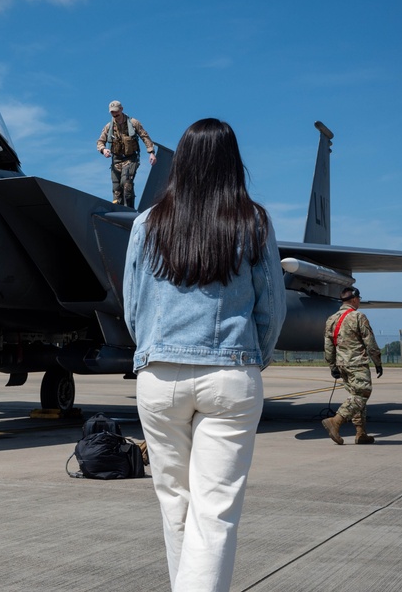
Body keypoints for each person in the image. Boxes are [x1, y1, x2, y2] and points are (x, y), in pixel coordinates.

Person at [123, 118, 286, 592]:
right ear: (232, 163)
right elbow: (271, 306)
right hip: (230, 375)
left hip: (159, 380)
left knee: (175, 507)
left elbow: (133, 309)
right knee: (214, 515)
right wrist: (252, 359)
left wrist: (155, 350)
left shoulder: (145, 225)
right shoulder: (252, 221)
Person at [322, 286, 383, 445]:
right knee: (362, 394)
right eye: (359, 299)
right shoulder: (358, 317)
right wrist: (377, 362)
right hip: (357, 363)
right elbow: (370, 343)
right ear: (354, 299)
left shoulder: (331, 319)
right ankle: (336, 421)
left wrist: (333, 366)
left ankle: (361, 433)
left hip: (342, 365)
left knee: (355, 397)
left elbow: (328, 347)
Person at [97, 100, 157, 208]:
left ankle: (129, 209)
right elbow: (100, 142)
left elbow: (145, 136)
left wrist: (151, 152)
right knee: (116, 190)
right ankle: (117, 211)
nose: (115, 114)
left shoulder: (133, 123)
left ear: (121, 109)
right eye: (112, 112)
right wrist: (103, 150)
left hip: (130, 159)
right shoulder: (109, 126)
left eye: (116, 111)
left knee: (126, 183)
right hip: (116, 160)